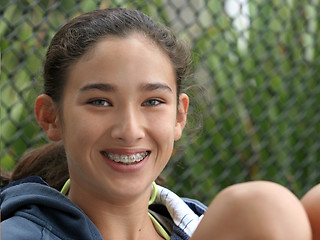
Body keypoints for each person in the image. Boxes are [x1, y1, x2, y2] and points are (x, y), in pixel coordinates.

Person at [0, 7, 318, 240]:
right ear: (50, 117)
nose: (130, 130)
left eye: (152, 102)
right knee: (264, 206)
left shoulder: (199, 224)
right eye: (99, 102)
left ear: (179, 116)